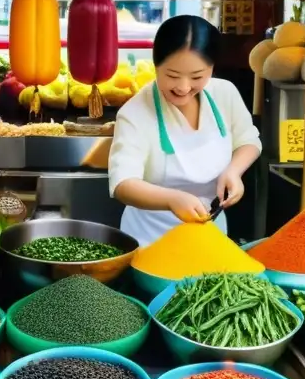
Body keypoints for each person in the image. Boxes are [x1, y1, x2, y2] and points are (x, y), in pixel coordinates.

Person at [108, 15, 262, 246]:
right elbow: (123, 184)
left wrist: (233, 171)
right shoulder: (135, 113)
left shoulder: (225, 93)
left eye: (197, 76)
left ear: (212, 67)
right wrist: (171, 199)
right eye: (172, 75)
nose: (183, 87)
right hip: (150, 241)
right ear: (156, 64)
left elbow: (249, 141)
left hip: (210, 237)